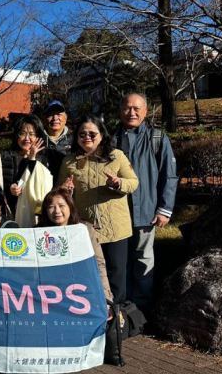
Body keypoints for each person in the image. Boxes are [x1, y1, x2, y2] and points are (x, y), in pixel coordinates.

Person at [57, 114, 138, 304]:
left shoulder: (116, 156)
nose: (87, 137)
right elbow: (59, 191)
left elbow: (133, 182)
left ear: (102, 135)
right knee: (90, 273)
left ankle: (117, 313)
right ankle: (94, 310)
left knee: (116, 273)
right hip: (85, 228)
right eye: (82, 134)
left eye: (92, 134)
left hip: (115, 227)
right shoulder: (69, 161)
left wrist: (118, 183)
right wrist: (65, 190)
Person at [112, 93, 178, 311]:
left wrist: (164, 209)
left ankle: (141, 308)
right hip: (116, 213)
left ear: (146, 112)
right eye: (127, 108)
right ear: (120, 110)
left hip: (146, 210)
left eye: (137, 108)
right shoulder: (109, 139)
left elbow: (169, 175)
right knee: (120, 261)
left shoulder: (156, 138)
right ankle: (121, 307)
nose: (132, 113)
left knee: (143, 259)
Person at [37, 188, 114, 303]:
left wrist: (106, 298)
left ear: (70, 206)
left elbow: (98, 264)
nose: (57, 211)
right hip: (49, 293)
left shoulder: (85, 230)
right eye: (51, 207)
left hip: (81, 291)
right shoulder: (37, 233)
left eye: (61, 206)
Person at [0, 115, 63, 220]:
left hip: (37, 213)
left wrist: (32, 159)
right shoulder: (4, 156)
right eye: (22, 133)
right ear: (16, 135)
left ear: (38, 136)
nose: (27, 138)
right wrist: (9, 188)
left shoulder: (46, 158)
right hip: (10, 212)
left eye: (32, 134)